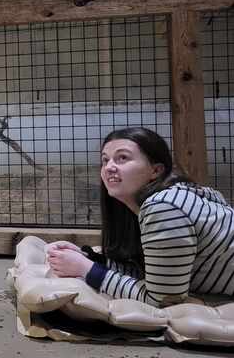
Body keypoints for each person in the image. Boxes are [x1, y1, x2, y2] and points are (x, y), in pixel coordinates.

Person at [46, 126, 234, 307]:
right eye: (105, 160)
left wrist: (87, 270)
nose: (109, 167)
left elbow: (162, 300)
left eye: (122, 158)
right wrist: (91, 259)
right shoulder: (165, 198)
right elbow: (152, 272)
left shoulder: (164, 207)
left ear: (156, 170)